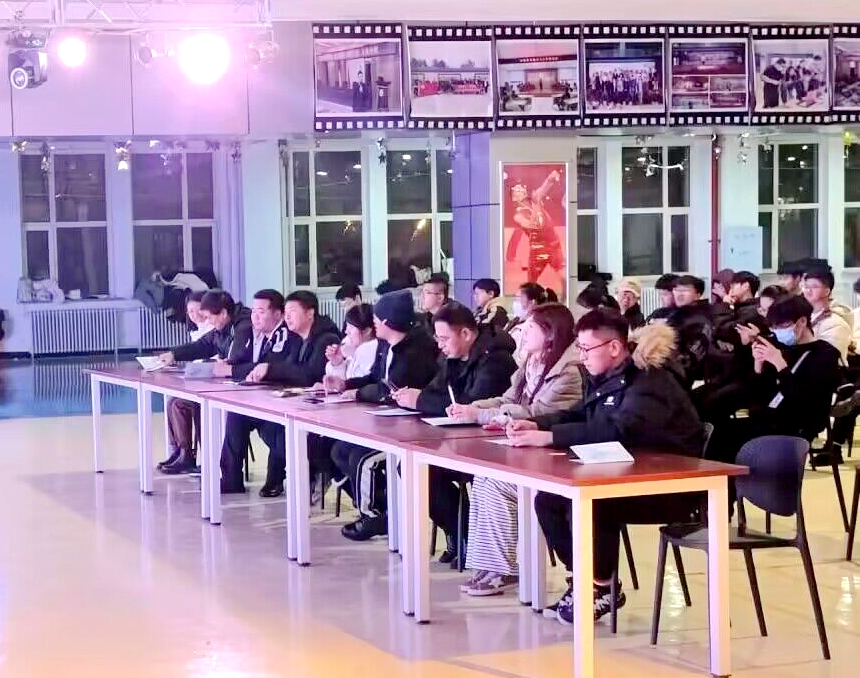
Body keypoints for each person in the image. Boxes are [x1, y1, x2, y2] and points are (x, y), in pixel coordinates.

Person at [505, 310, 704, 623]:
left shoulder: (650, 379)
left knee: (594, 503)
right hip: (626, 476)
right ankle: (585, 580)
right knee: (548, 500)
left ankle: (601, 586)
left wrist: (551, 437)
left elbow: (620, 430)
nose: (582, 356)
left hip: (670, 487)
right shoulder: (605, 376)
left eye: (587, 348)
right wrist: (535, 423)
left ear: (614, 347)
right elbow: (580, 415)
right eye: (579, 348)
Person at [447, 304, 583, 595]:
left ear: (550, 334)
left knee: (497, 484)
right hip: (528, 451)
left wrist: (480, 415)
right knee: (483, 478)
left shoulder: (569, 372)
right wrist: (471, 408)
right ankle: (488, 565)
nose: (523, 332)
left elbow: (538, 413)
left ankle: (502, 568)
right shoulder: (530, 363)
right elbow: (507, 400)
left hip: (555, 459)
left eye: (530, 328)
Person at [392, 302, 517, 565]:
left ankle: (468, 538)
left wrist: (420, 400)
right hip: (460, 439)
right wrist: (418, 397)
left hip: (490, 444)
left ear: (466, 334)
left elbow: (471, 405)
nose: (440, 345)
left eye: (444, 338)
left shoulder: (496, 359)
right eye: (437, 339)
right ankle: (459, 532)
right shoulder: (451, 358)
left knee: (427, 470)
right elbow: (438, 392)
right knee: (414, 467)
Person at [327, 289, 439, 541]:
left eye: (377, 318)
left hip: (412, 426)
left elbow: (391, 390)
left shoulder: (416, 351)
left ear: (388, 321)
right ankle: (384, 510)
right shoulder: (385, 345)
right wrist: (346, 384)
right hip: (386, 420)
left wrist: (358, 394)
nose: (374, 323)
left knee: (362, 458)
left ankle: (372, 515)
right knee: (340, 450)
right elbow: (376, 378)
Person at [222, 291, 341, 496]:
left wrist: (271, 369)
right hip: (294, 401)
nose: (287, 317)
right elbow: (286, 367)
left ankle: (314, 468)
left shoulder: (326, 338)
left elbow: (309, 375)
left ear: (310, 313)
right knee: (238, 415)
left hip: (317, 408)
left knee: (275, 427)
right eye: (286, 312)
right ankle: (232, 479)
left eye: (292, 311)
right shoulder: (296, 338)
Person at [710, 295, 842, 466]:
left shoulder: (825, 354)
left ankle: (740, 481)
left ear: (802, 322)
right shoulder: (779, 347)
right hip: (769, 418)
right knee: (717, 433)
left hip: (797, 423)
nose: (778, 332)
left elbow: (804, 401)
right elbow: (756, 396)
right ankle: (724, 482)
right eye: (774, 327)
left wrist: (781, 365)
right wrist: (758, 366)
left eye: (782, 326)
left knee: (730, 441)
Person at [156, 290, 253, 473]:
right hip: (225, 384)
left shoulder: (243, 325)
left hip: (242, 390)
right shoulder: (222, 327)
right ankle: (186, 453)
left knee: (200, 404)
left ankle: (211, 462)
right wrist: (174, 354)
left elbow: (236, 358)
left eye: (209, 317)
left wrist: (228, 364)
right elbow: (204, 345)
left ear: (223, 313)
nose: (207, 321)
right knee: (177, 402)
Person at [308, 303, 379, 504]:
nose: (346, 333)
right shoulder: (351, 345)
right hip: (348, 409)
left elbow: (364, 381)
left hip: (366, 415)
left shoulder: (372, 349)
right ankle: (348, 486)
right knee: (315, 440)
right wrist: (337, 362)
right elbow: (342, 381)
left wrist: (351, 355)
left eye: (351, 328)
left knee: (327, 446)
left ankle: (365, 498)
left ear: (367, 330)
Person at [158, 291, 215, 473]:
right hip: (199, 381)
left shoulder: (213, 330)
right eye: (190, 312)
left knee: (179, 404)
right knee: (171, 401)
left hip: (211, 385)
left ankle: (188, 455)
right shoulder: (196, 331)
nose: (194, 315)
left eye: (198, 310)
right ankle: (180, 451)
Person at [667, 275, 713, 389]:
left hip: (685, 379)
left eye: (685, 290)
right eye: (676, 290)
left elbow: (693, 358)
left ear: (698, 294)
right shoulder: (676, 315)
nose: (679, 294)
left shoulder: (701, 319)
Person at [802, 268, 851, 364]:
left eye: (814, 286)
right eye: (806, 286)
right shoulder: (805, 315)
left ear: (827, 291)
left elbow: (826, 358)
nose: (808, 291)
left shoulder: (836, 323)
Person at [505, 282, 546, 364]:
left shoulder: (534, 326)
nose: (515, 302)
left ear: (532, 302)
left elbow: (522, 359)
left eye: (518, 298)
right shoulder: (514, 321)